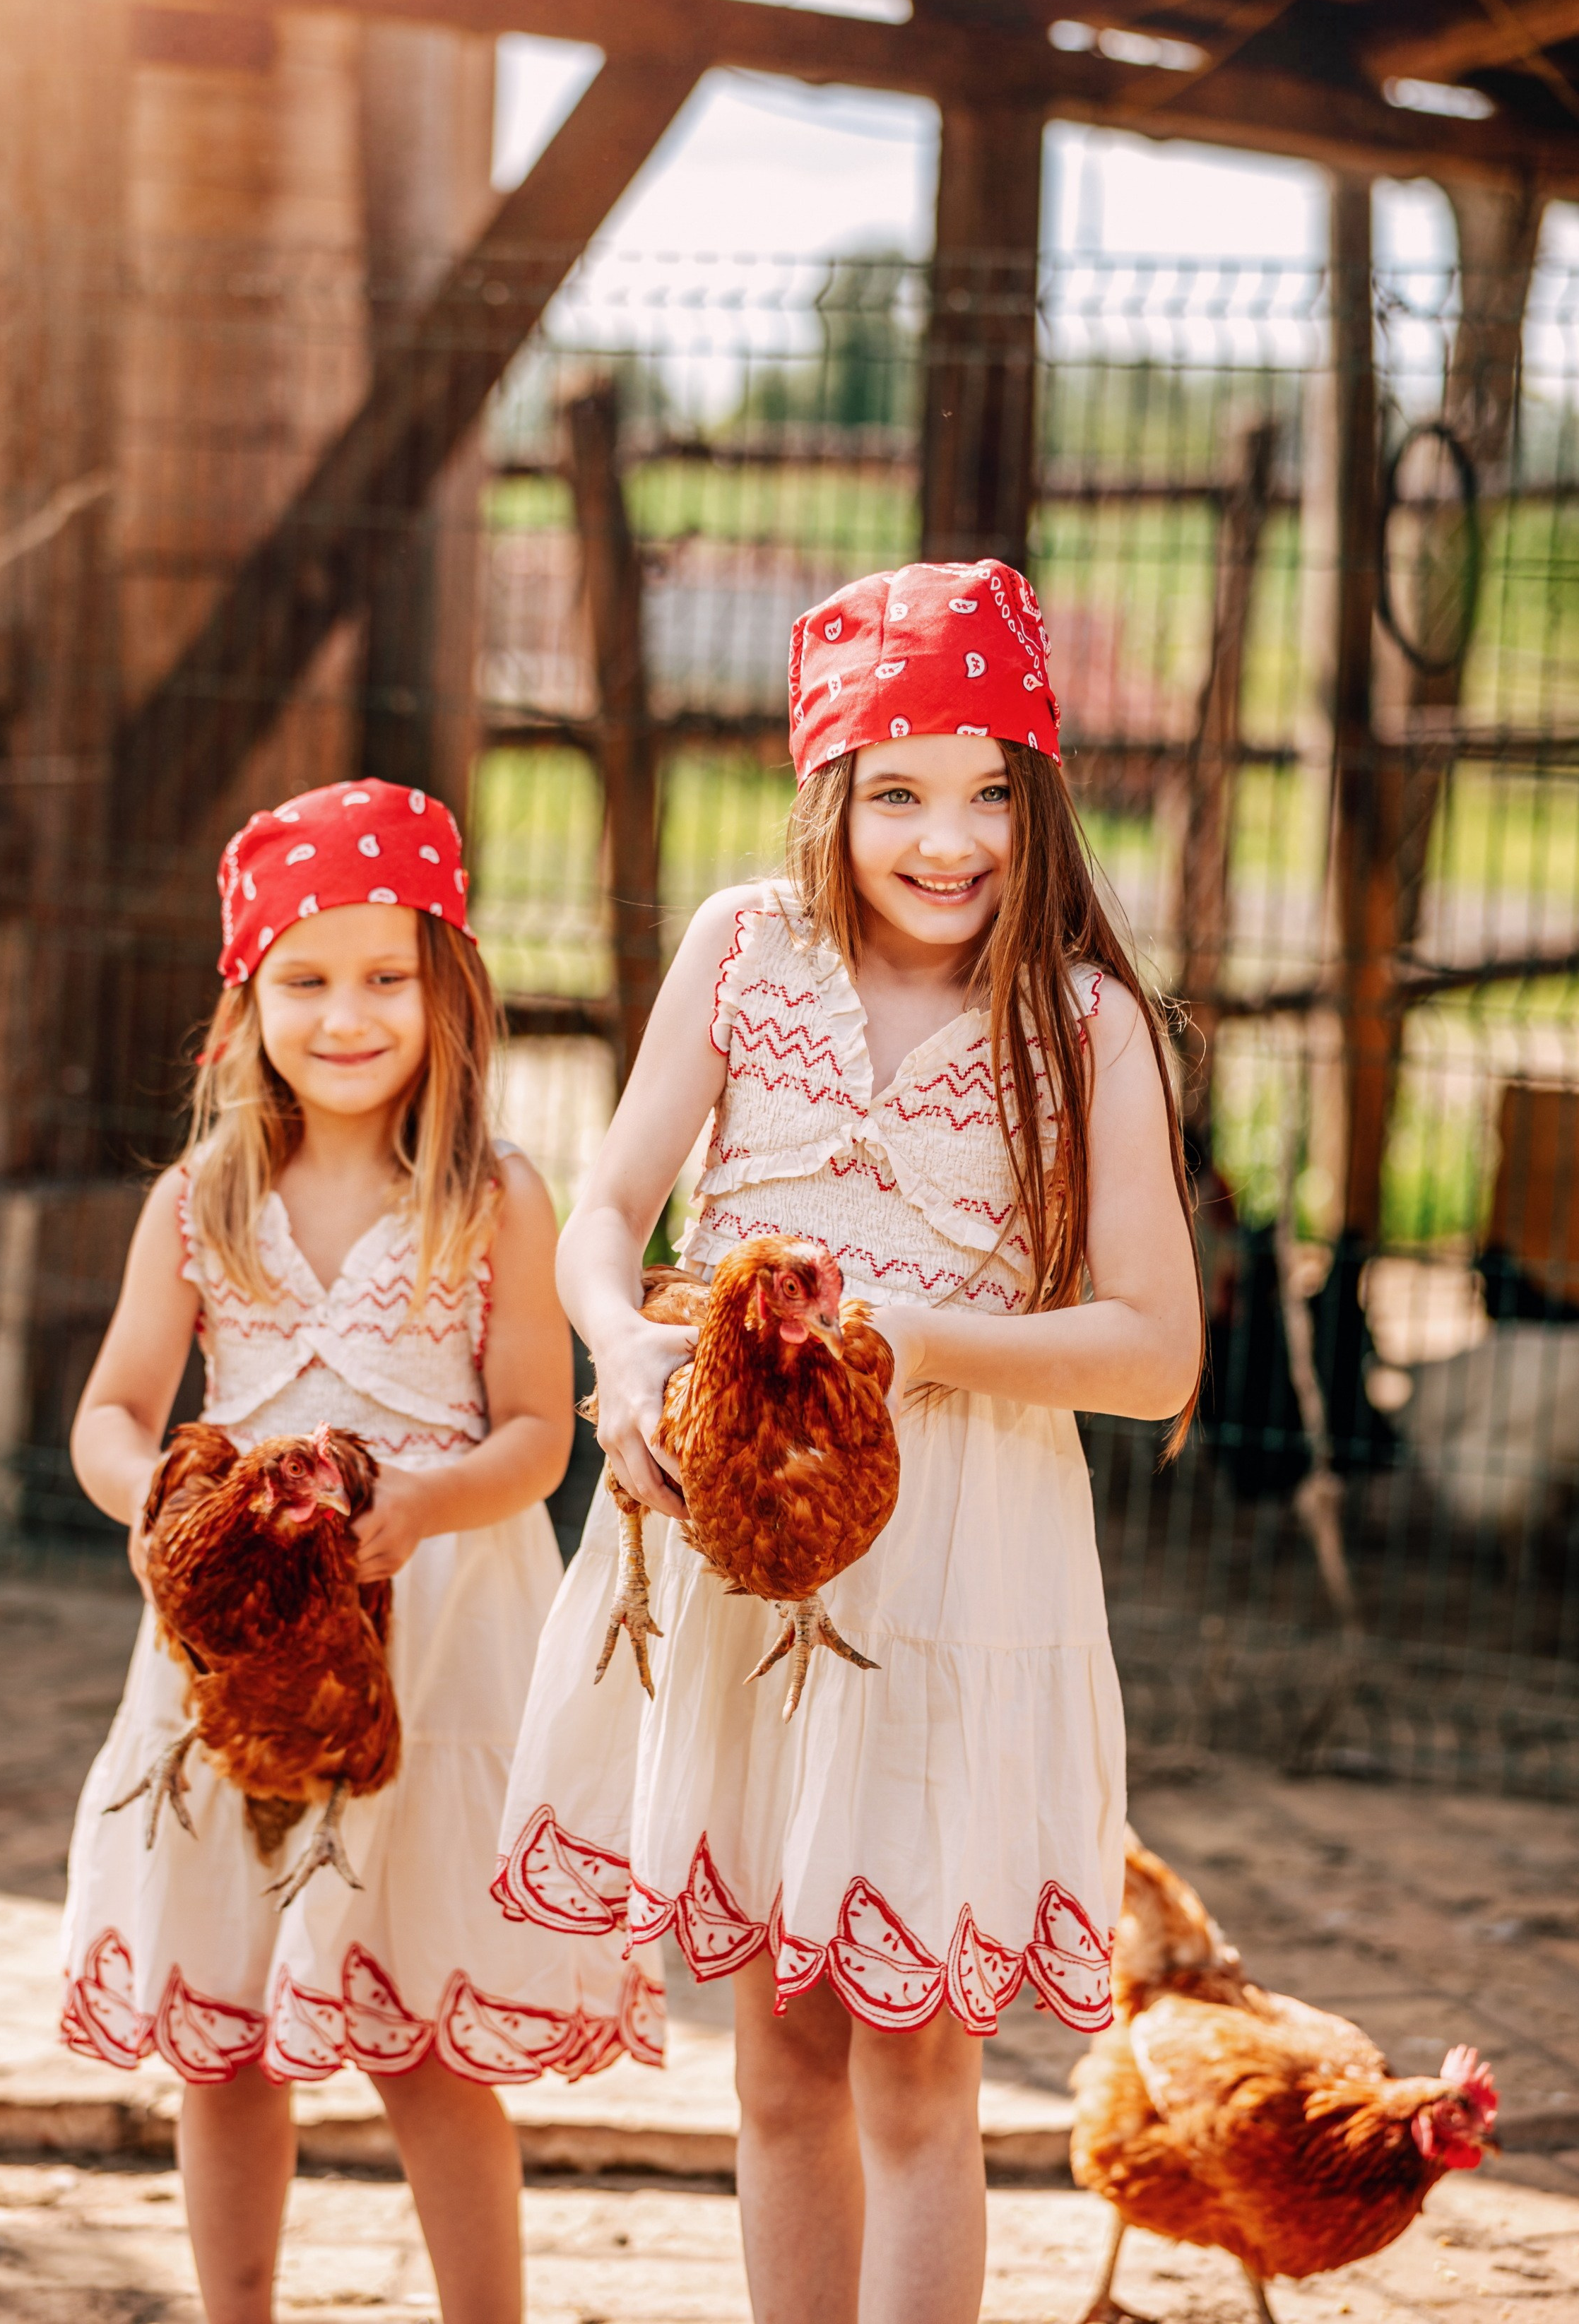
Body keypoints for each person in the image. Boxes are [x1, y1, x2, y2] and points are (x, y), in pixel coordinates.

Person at [495, 564, 1203, 2324]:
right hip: (744, 1545)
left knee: (914, 2068)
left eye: (988, 793)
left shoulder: (1088, 1024)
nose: (945, 839)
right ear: (831, 794)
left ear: (1040, 799)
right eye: (898, 790)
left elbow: (1155, 1354)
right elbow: (606, 1207)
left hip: (959, 1567)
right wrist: (631, 1346)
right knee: (777, 2058)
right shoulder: (743, 950)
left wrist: (890, 1338)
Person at [61, 778, 656, 2324]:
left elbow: (538, 1428)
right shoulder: (203, 1205)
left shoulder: (495, 1196)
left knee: (427, 2038)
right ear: (248, 1000)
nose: (347, 1015)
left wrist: (418, 1513)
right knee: (233, 2037)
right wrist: (166, 1516)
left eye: (386, 975)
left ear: (445, 983)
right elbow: (114, 1410)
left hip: (442, 1640)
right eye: (306, 981)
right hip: (243, 1647)